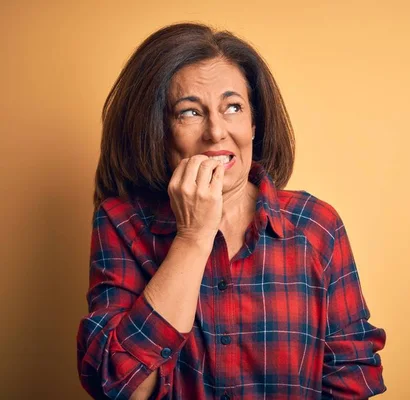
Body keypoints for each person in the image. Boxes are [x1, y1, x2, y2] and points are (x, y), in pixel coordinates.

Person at [77, 22, 386, 399]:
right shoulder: (122, 223)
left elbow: (350, 381)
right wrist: (192, 238)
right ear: (157, 130)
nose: (216, 132)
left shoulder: (317, 227)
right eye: (189, 113)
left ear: (254, 123)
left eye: (233, 107)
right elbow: (119, 386)